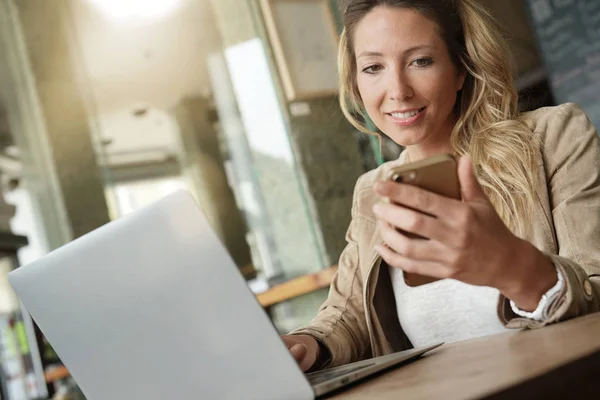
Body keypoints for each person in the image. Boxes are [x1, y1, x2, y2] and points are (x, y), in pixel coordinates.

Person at [281, 0, 600, 372]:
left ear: (460, 69)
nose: (398, 90)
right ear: (355, 82)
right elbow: (346, 317)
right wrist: (306, 344)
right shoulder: (373, 191)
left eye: (420, 61)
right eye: (373, 68)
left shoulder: (554, 137)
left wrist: (515, 269)